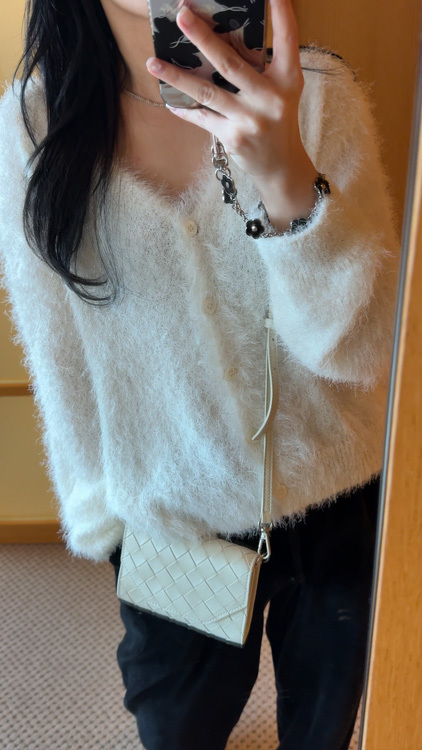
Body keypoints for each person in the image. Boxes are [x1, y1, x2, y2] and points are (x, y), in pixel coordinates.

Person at [0, 0, 400, 747]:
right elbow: (56, 351)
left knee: (326, 725)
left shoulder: (318, 95)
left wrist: (288, 182)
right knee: (179, 725)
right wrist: (101, 516)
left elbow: (359, 353)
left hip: (337, 495)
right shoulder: (32, 126)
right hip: (173, 519)